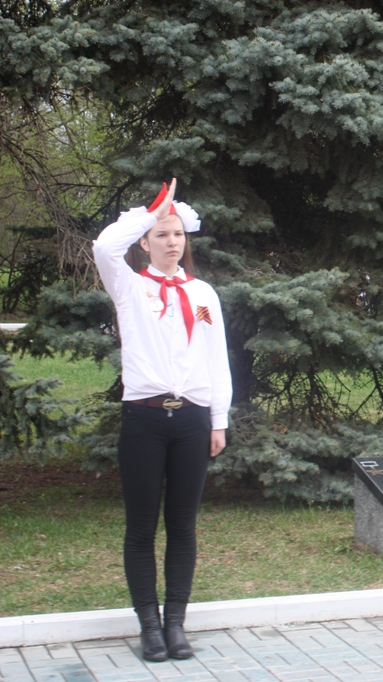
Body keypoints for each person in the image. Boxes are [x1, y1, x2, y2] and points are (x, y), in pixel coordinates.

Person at [93, 179, 231, 662]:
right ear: (146, 243)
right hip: (145, 421)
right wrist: (151, 212)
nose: (172, 242)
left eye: (177, 235)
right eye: (161, 235)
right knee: (141, 526)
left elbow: (217, 360)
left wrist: (218, 420)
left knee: (183, 525)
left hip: (192, 421)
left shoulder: (203, 294)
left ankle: (176, 624)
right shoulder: (130, 287)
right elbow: (104, 245)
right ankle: (148, 626)